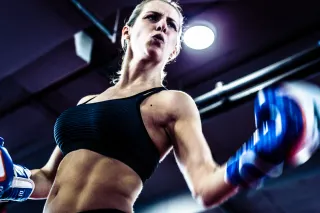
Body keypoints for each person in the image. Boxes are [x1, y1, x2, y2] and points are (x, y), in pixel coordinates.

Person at [0, 0, 319, 212]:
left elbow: (206, 186)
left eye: (172, 25)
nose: (162, 26)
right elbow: (46, 177)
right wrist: (11, 178)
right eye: (153, 17)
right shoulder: (86, 104)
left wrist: (261, 154)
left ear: (175, 48)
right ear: (127, 32)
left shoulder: (173, 103)